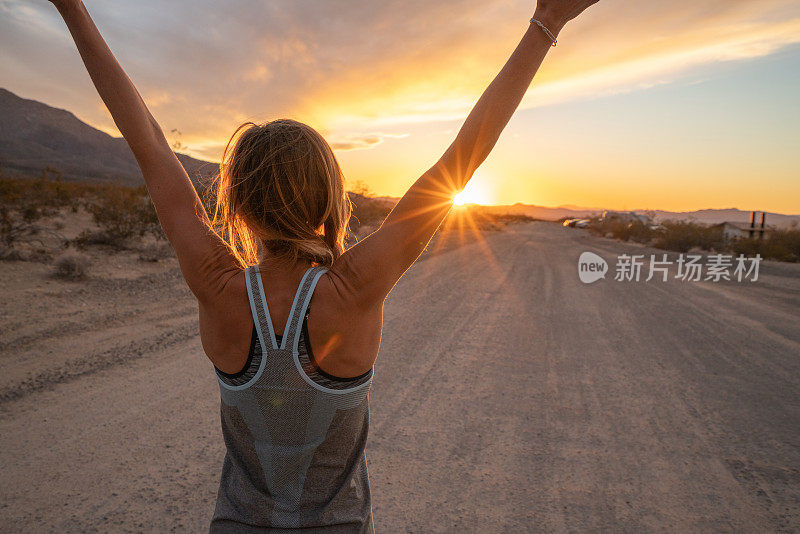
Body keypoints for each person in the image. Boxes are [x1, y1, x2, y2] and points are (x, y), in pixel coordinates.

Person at [46, 0, 599, 530]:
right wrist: (545, 23)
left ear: (236, 202)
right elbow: (460, 160)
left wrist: (71, 8)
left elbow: (148, 146)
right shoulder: (352, 290)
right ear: (330, 197)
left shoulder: (218, 287)